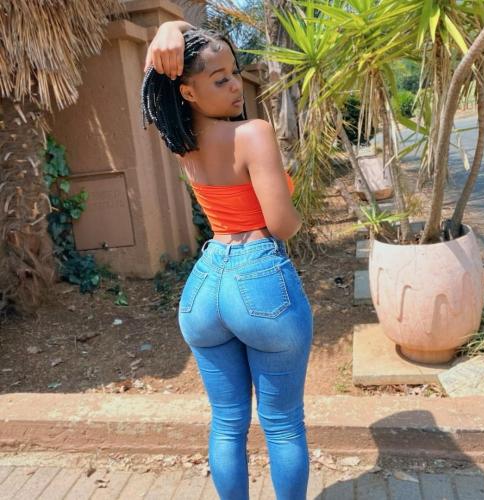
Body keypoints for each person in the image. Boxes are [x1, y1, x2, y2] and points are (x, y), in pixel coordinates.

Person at [142, 20, 314, 500]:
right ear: (188, 92)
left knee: (227, 421)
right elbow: (282, 224)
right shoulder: (253, 134)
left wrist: (169, 28)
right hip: (259, 278)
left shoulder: (181, 140)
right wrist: (292, 201)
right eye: (220, 80)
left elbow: (158, 74)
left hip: (205, 287)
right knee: (282, 424)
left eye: (235, 73)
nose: (236, 85)